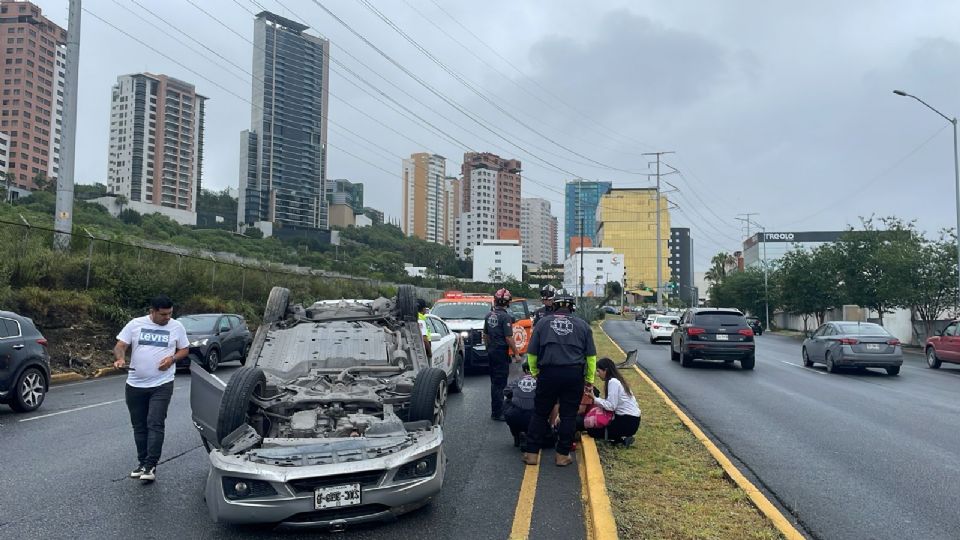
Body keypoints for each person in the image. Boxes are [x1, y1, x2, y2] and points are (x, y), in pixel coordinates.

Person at [113, 295, 189, 483]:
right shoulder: (135, 324)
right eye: (163, 314)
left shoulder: (176, 327)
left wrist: (172, 359)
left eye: (170, 314)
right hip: (135, 384)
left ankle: (150, 465)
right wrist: (121, 358)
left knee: (155, 422)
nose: (167, 318)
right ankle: (142, 463)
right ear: (152, 312)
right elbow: (120, 345)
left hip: (162, 384)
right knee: (139, 426)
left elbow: (184, 349)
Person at [523, 289, 597, 467]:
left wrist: (535, 373)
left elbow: (531, 353)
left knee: (540, 413)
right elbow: (591, 358)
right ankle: (562, 455)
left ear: (554, 305)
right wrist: (589, 379)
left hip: (548, 373)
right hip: (573, 375)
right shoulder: (583, 326)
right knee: (569, 415)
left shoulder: (542, 323)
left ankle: (532, 454)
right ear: (572, 307)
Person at [484, 288, 520, 421]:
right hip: (500, 352)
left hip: (492, 351)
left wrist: (489, 348)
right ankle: (498, 412)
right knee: (500, 383)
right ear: (507, 302)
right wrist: (516, 353)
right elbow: (509, 338)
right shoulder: (505, 317)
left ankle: (495, 410)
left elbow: (485, 335)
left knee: (494, 382)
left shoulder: (489, 315)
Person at [587, 357, 641, 446]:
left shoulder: (613, 382)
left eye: (598, 371)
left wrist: (594, 399)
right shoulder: (617, 380)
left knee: (592, 431)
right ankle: (621, 438)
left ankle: (621, 439)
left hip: (626, 421)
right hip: (632, 420)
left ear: (606, 370)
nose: (597, 374)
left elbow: (611, 406)